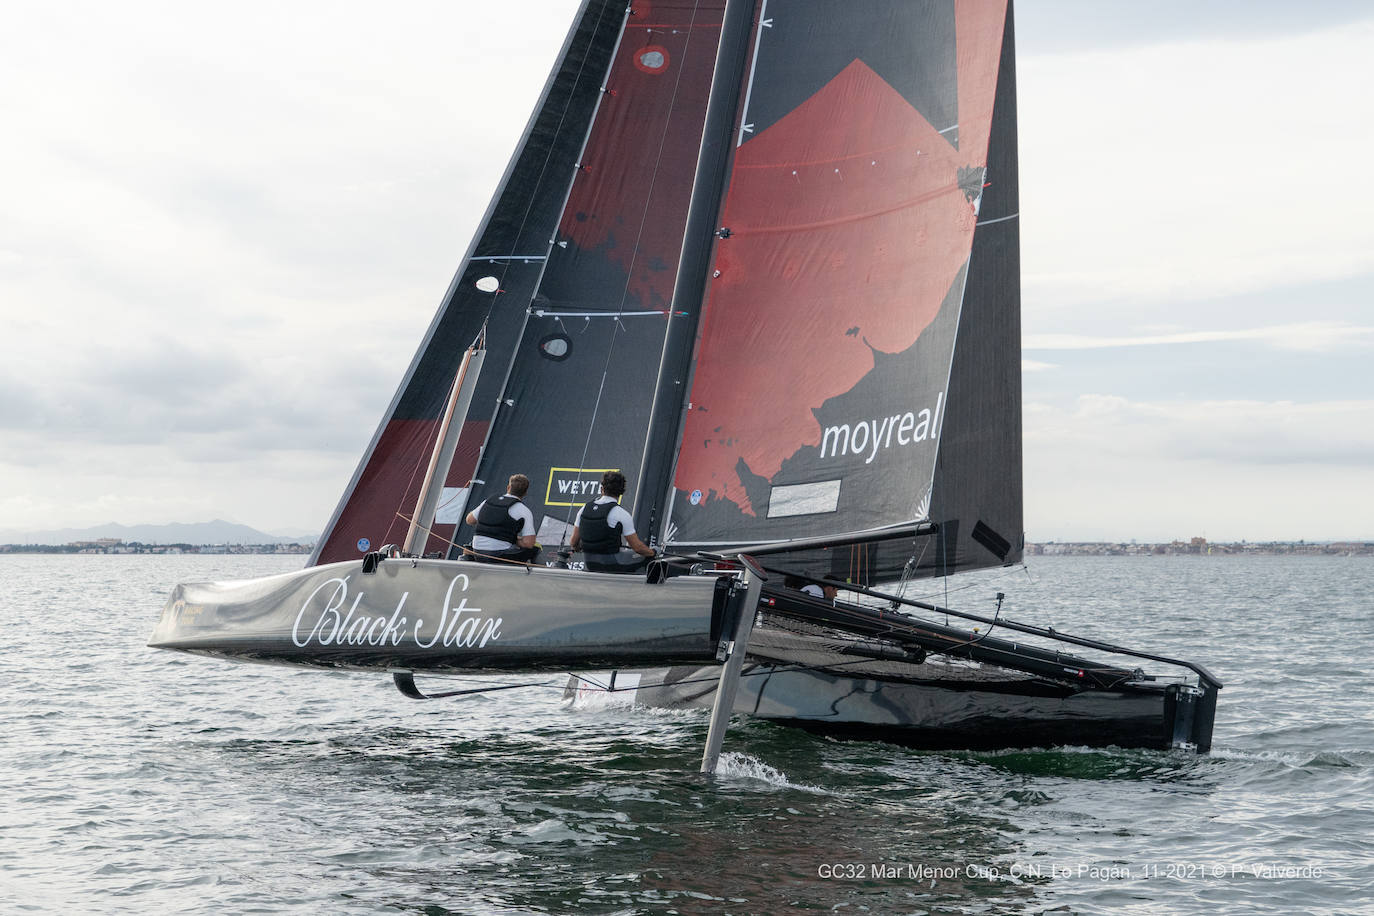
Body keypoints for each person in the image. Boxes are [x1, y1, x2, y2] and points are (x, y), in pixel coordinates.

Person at [570, 471, 655, 573]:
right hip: (613, 566)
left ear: (602, 489)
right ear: (621, 492)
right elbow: (638, 548)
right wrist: (653, 552)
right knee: (647, 556)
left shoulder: (584, 509)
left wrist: (581, 548)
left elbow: (573, 543)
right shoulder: (622, 514)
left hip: (591, 565)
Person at [465, 474, 539, 564]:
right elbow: (529, 543)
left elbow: (469, 520)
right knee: (534, 549)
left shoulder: (488, 501)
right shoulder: (524, 510)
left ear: (508, 487)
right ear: (525, 493)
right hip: (498, 556)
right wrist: (513, 539)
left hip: (477, 552)